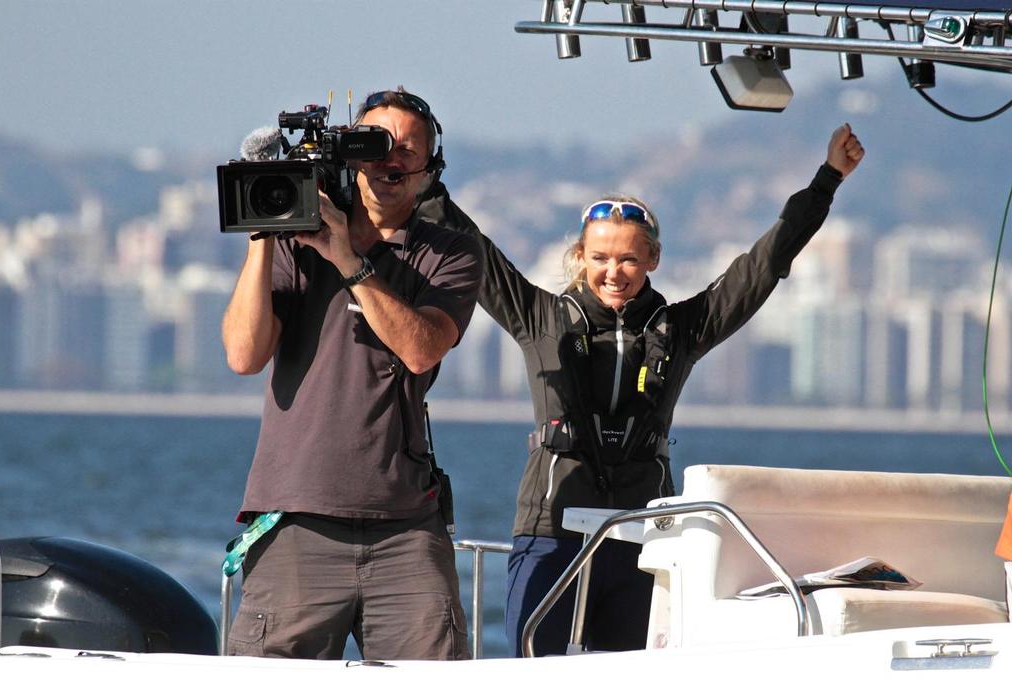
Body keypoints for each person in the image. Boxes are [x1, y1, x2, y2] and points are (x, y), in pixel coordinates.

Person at [433, 124, 865, 656]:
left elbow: (762, 268)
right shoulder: (540, 316)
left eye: (629, 260)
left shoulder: (682, 329)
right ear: (580, 257)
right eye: (600, 258)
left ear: (653, 260)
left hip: (642, 537)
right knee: (533, 666)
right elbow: (473, 247)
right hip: (552, 530)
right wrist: (419, 178)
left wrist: (826, 180)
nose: (613, 272)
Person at [221, 89, 483, 661]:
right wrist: (264, 236)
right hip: (295, 517)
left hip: (406, 527)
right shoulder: (296, 245)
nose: (389, 162)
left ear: (428, 172)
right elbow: (243, 355)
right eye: (375, 145)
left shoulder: (451, 254)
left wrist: (347, 259)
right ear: (348, 154)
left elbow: (422, 350)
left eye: (407, 152)